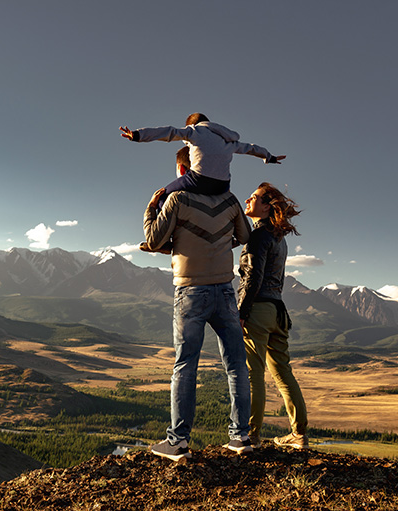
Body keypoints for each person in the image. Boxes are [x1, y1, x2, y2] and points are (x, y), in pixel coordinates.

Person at [143, 183, 253, 460]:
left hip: (191, 291)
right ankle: (240, 437)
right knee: (237, 365)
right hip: (225, 290)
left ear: (183, 170)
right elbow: (245, 234)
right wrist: (214, 244)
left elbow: (154, 240)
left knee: (186, 364)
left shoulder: (178, 198)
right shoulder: (229, 199)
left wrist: (151, 208)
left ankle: (178, 441)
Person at [121, 112, 285, 253]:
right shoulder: (226, 139)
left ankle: (165, 241)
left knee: (163, 196)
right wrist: (268, 157)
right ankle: (232, 239)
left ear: (192, 124)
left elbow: (168, 132)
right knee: (229, 206)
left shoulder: (194, 131)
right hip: (222, 186)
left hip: (198, 179)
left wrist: (137, 135)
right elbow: (250, 148)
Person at [237, 182, 308, 449]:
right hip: (278, 311)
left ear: (266, 207)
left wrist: (242, 312)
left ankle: (250, 436)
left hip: (258, 309)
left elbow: (253, 276)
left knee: (252, 372)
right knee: (282, 373)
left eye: (253, 197)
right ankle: (298, 434)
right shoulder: (279, 237)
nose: (247, 199)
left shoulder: (258, 236)